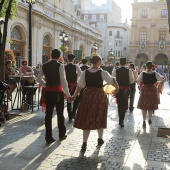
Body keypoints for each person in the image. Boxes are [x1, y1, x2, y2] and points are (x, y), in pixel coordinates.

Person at [70, 55, 119, 151]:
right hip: (99, 96)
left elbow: (80, 86)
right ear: (98, 62)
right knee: (99, 116)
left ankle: (84, 142)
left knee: (87, 116)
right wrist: (116, 89)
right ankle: (100, 139)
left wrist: (74, 96)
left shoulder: (85, 72)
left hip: (87, 95)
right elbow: (112, 80)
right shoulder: (102, 72)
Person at [37, 49, 71, 143]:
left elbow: (38, 78)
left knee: (48, 114)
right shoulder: (60, 66)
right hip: (58, 93)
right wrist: (68, 95)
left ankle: (48, 137)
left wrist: (45, 84)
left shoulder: (44, 65)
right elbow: (64, 82)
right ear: (59, 56)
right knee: (60, 114)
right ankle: (61, 134)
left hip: (48, 92)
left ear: (51, 55)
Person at [137, 61, 164, 127]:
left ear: (146, 66)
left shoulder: (142, 73)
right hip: (152, 89)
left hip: (145, 89)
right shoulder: (155, 73)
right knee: (151, 105)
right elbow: (161, 79)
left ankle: (144, 120)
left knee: (144, 106)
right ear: (152, 67)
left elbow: (137, 80)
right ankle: (149, 119)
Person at [112, 57, 134, 127]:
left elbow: (113, 80)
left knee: (119, 104)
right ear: (126, 63)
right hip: (126, 90)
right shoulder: (129, 71)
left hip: (118, 89)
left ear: (120, 62)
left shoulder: (115, 70)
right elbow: (132, 81)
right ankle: (122, 120)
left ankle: (120, 120)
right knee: (124, 104)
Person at [65, 54, 81, 121]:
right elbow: (81, 74)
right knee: (76, 99)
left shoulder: (64, 66)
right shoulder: (76, 66)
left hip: (67, 85)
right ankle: (74, 113)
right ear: (74, 59)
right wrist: (77, 78)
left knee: (68, 99)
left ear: (67, 59)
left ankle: (69, 114)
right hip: (74, 84)